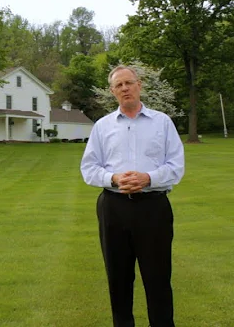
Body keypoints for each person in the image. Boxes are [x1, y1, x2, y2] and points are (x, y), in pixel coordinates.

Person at [80, 65, 185, 327]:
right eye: (119, 85)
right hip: (113, 208)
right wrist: (113, 178)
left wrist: (148, 178)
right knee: (118, 278)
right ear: (113, 92)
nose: (125, 88)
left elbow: (176, 166)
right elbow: (89, 168)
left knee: (158, 277)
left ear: (139, 85)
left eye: (129, 83)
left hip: (153, 207)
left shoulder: (162, 122)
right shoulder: (103, 127)